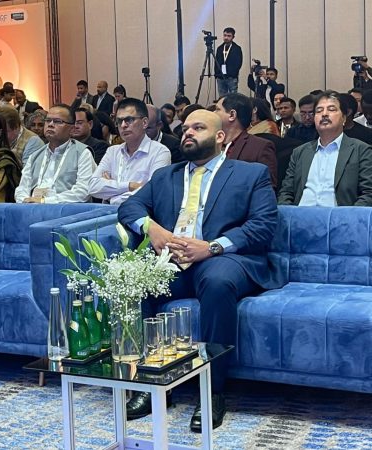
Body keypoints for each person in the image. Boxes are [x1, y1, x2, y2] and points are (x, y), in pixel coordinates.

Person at [118, 109, 281, 430]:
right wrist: (152, 229)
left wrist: (212, 247)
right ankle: (152, 382)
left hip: (223, 258)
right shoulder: (165, 176)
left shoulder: (250, 174)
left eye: (198, 127)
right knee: (135, 281)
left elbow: (263, 226)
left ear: (220, 136)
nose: (188, 133)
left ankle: (212, 390)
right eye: (186, 128)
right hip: (172, 259)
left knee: (217, 281)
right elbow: (129, 206)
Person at [278, 90, 372, 206]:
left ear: (344, 118)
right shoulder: (300, 152)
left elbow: (368, 194)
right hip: (301, 214)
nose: (324, 114)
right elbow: (286, 192)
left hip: (340, 216)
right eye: (319, 111)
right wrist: (289, 214)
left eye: (331, 109)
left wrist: (348, 216)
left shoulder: (361, 150)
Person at [90, 98, 170, 205]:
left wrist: (111, 194)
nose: (123, 125)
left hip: (138, 212)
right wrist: (130, 186)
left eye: (129, 120)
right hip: (106, 212)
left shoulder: (160, 152)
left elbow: (151, 193)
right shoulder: (112, 151)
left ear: (145, 123)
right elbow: (93, 186)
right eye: (119, 121)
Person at [15, 104, 95, 203]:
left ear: (72, 128)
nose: (50, 124)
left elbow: (83, 192)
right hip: (33, 208)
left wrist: (45, 201)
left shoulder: (82, 153)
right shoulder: (35, 155)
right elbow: (22, 189)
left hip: (67, 210)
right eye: (48, 120)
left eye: (58, 121)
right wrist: (24, 201)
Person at [214, 93, 278, 189]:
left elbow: (266, 189)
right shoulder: (212, 145)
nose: (213, 113)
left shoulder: (260, 147)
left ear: (232, 115)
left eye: (217, 109)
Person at [214, 27, 243, 96]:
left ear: (233, 37)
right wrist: (217, 74)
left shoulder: (237, 48)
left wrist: (233, 74)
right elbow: (216, 62)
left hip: (231, 77)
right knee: (222, 97)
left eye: (229, 36)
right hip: (220, 77)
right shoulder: (219, 48)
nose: (226, 37)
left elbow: (239, 63)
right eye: (225, 35)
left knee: (233, 97)